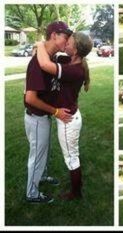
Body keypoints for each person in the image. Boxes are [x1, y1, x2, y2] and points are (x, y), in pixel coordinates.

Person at [35, 31, 93, 201]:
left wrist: (39, 44)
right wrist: (42, 48)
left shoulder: (75, 70)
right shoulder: (70, 60)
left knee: (71, 158)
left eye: (69, 42)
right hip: (70, 116)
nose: (66, 43)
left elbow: (45, 65)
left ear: (75, 51)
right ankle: (77, 188)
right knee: (72, 155)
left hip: (68, 120)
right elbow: (48, 57)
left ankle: (76, 193)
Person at [24, 21, 73, 204]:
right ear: (54, 35)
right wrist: (56, 111)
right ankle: (32, 193)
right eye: (65, 37)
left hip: (43, 117)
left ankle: (41, 177)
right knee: (37, 155)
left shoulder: (51, 57)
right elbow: (30, 98)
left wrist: (38, 44)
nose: (67, 41)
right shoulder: (38, 63)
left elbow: (76, 57)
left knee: (43, 152)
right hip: (36, 116)